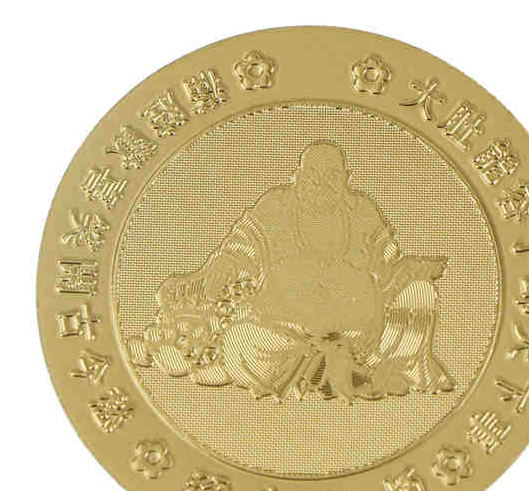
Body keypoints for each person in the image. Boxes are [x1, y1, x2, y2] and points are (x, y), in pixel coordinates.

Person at [131, 142, 455, 402]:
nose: (320, 184)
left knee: (420, 292)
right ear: (297, 175)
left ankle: (358, 367)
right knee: (240, 343)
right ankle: (330, 371)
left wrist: (411, 269)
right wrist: (223, 267)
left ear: (346, 178)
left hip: (357, 331)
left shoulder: (362, 211)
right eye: (312, 174)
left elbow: (388, 264)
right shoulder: (275, 206)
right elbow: (240, 247)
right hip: (285, 332)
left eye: (331, 176)